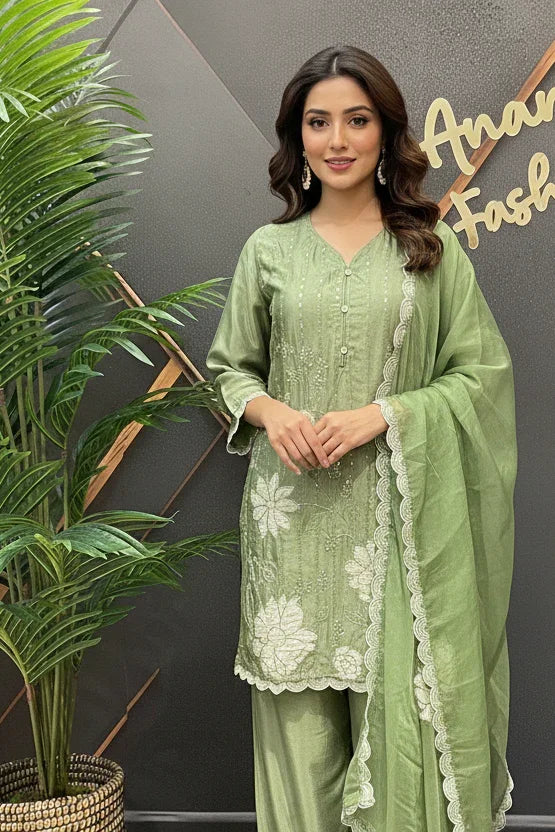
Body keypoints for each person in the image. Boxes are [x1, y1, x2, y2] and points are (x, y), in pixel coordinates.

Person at [205, 44, 517, 832]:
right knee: (299, 754)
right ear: (296, 137)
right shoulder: (266, 252)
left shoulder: (427, 250)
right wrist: (272, 414)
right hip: (293, 533)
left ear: (385, 134)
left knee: (401, 741)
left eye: (356, 119)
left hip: (398, 536)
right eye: (318, 122)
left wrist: (386, 415)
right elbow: (229, 370)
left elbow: (478, 379)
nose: (337, 139)